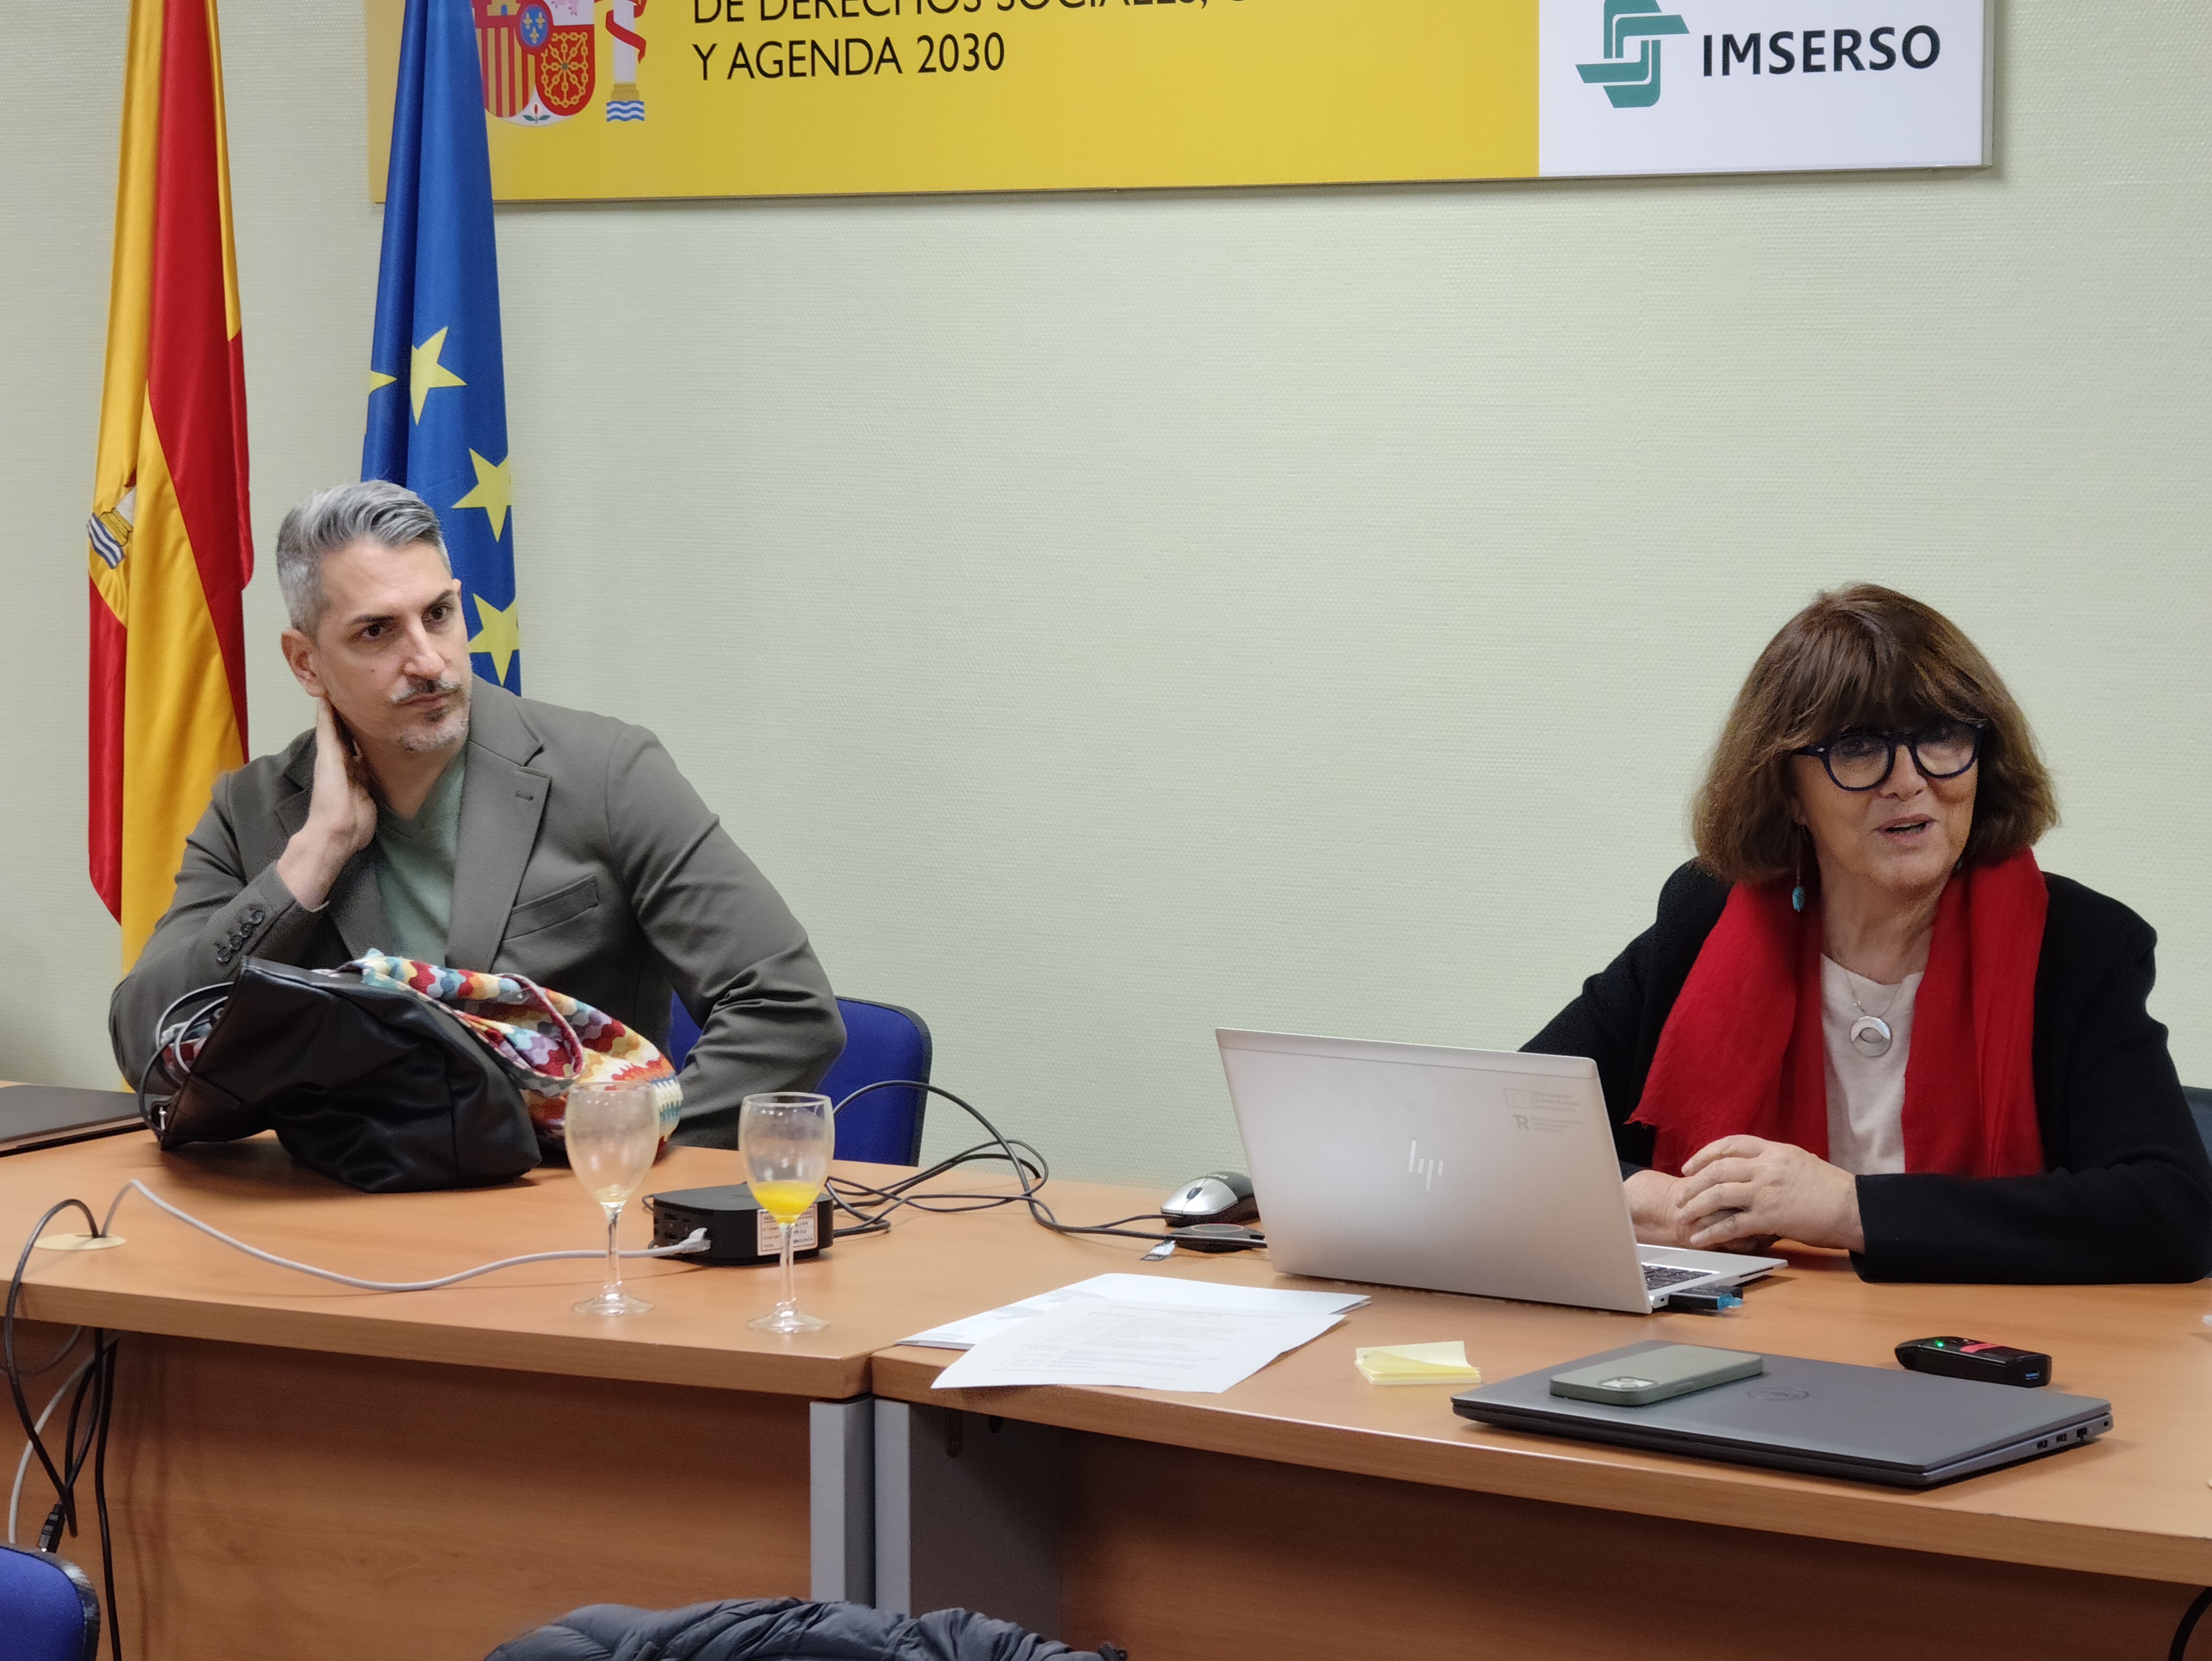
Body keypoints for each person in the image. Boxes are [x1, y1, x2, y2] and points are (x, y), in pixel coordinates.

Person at [110, 480, 844, 1147]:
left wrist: (624, 1150)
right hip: (342, 1220)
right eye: (378, 632)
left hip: (576, 1222)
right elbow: (149, 1039)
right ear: (305, 662)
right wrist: (312, 858)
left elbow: (785, 1008)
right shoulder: (252, 811)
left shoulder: (608, 771)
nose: (429, 661)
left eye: (438, 614)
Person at [1526, 584, 2212, 1283]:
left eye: (1941, 736)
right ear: (1787, 791)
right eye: (1859, 748)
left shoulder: (2076, 944)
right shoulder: (1706, 919)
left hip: (1984, 1358)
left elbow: (2172, 1211)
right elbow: (1510, 1132)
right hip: (1749, 1348)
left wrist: (1848, 1208)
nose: (1910, 781)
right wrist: (1658, 1204)